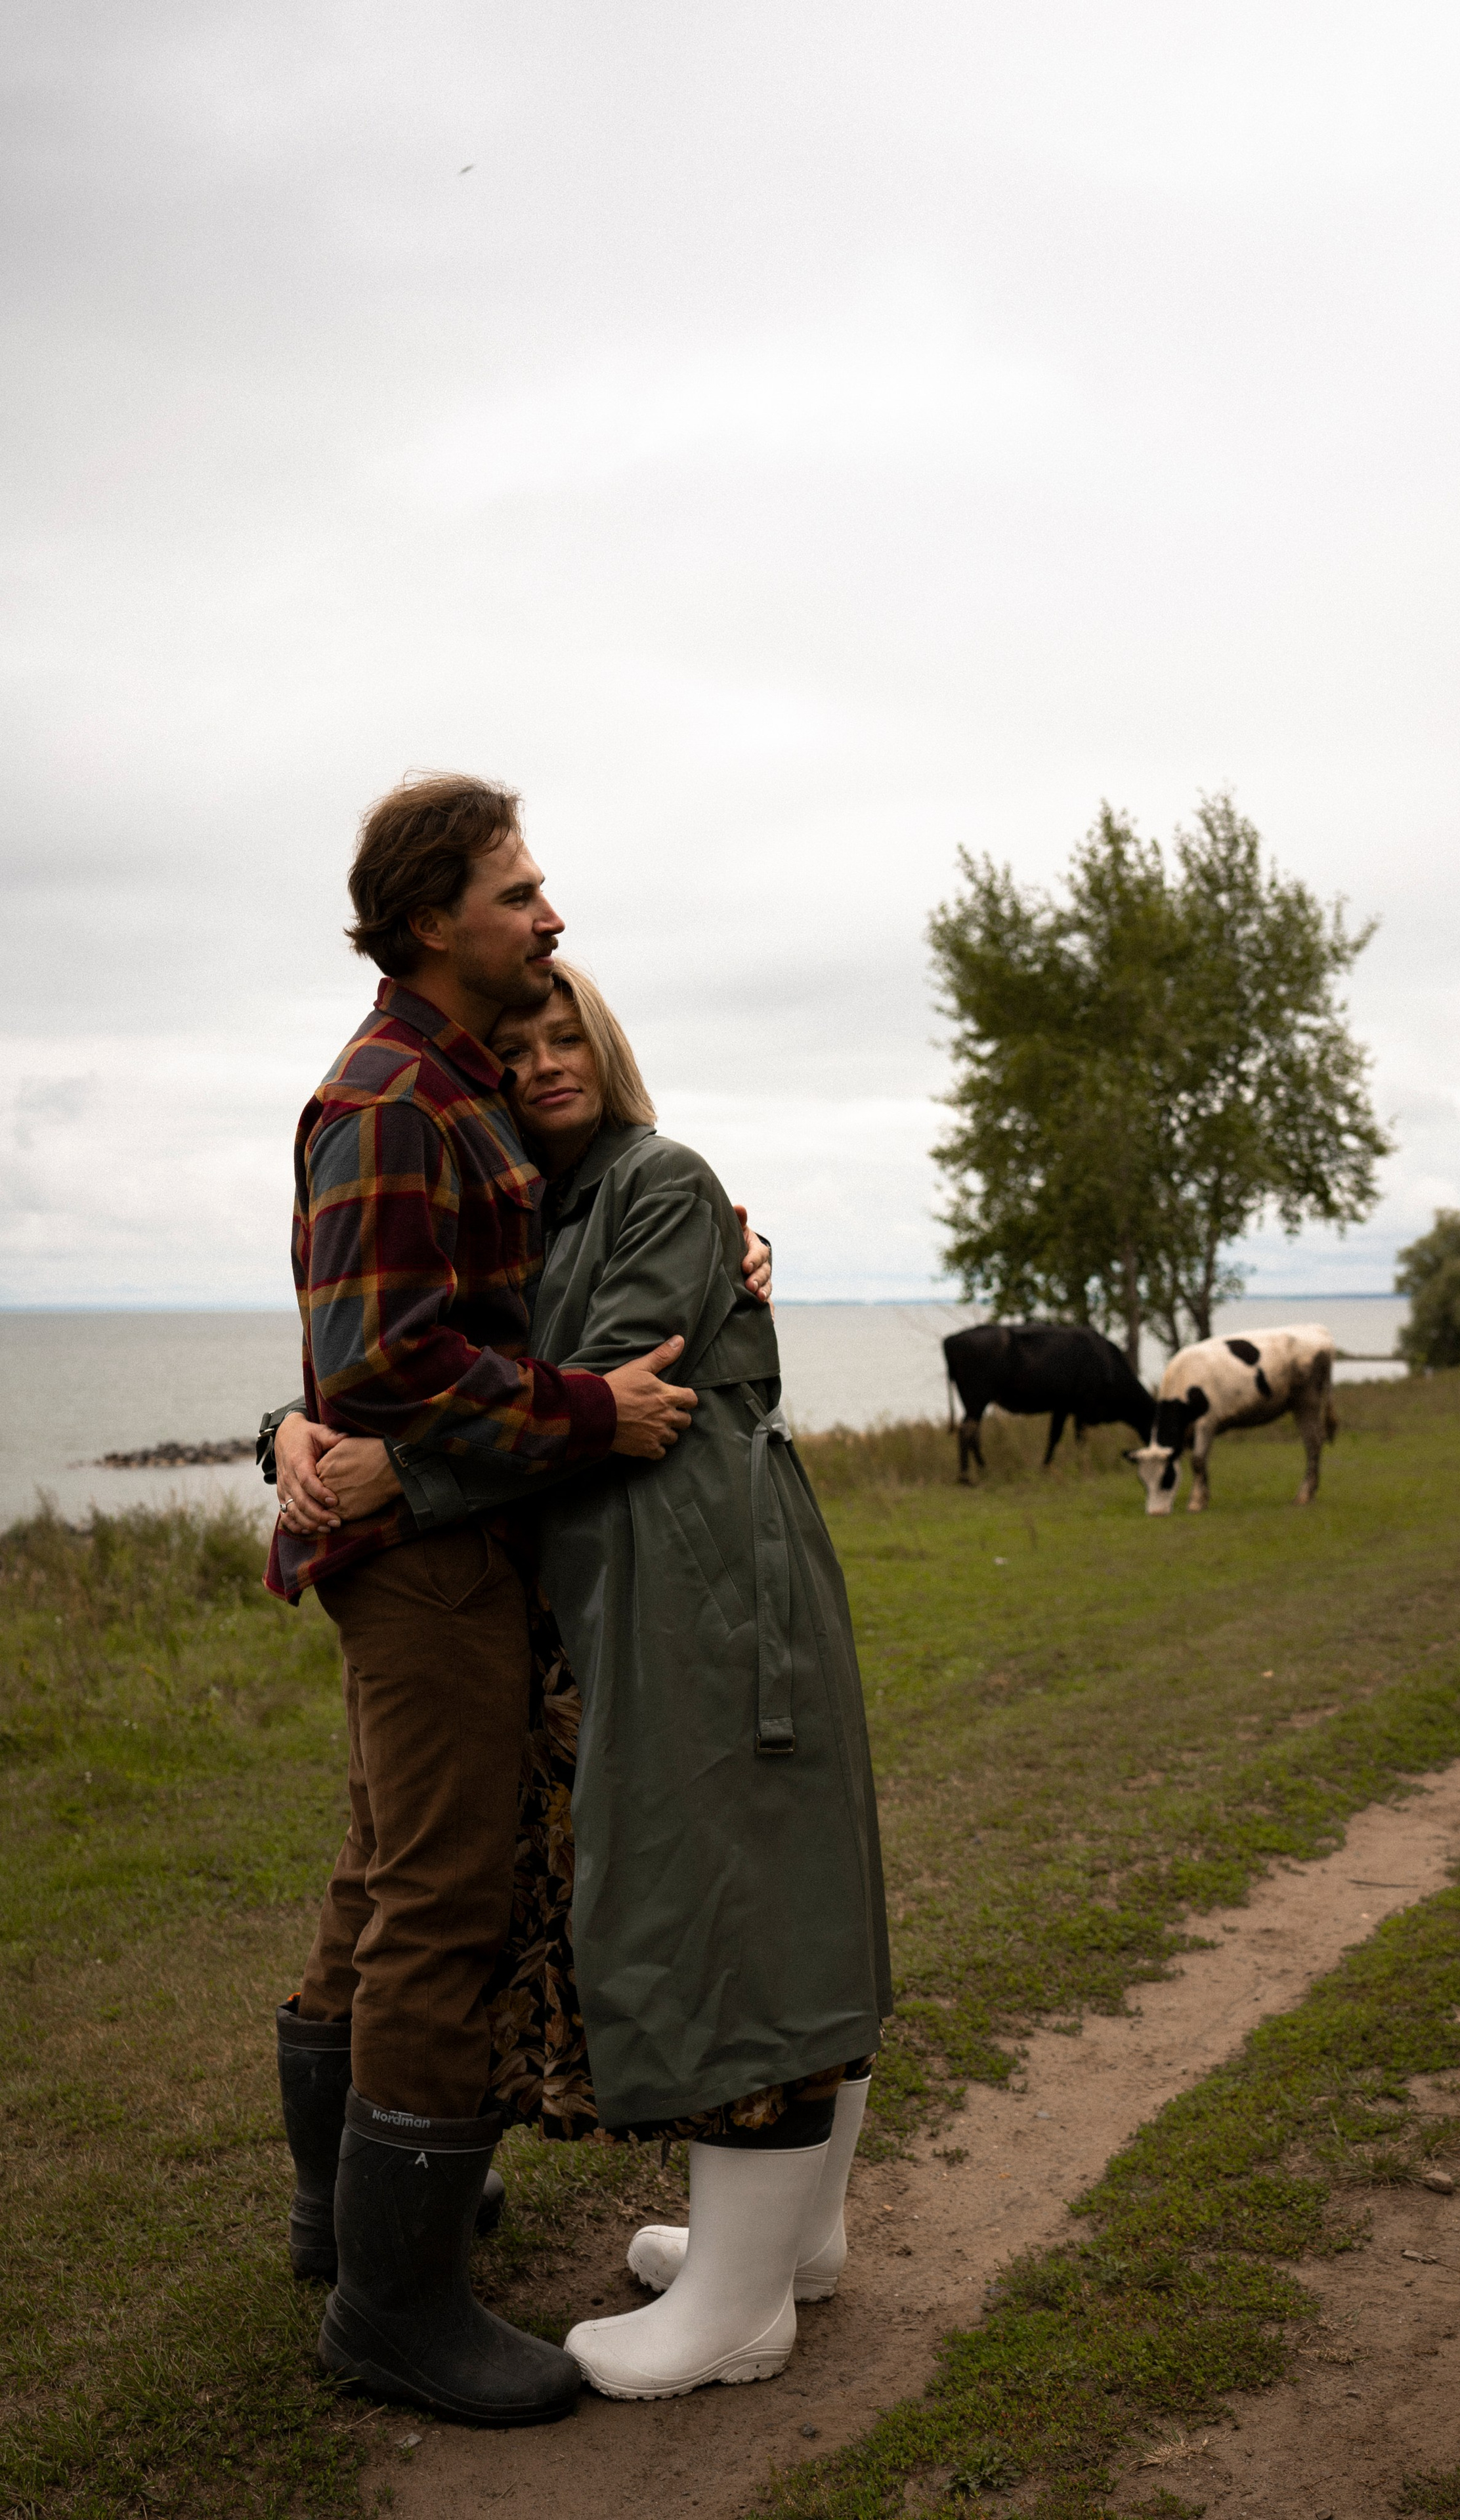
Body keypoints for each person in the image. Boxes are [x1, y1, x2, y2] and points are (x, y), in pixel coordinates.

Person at [305, 959, 893, 2402]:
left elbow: (594, 1388)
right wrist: (298, 1425)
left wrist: (395, 1471)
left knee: (747, 1900)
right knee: (739, 1891)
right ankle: (791, 2246)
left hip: (707, 1585)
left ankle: (742, 2305)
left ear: (607, 1046)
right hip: (644, 1585)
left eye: (568, 1035)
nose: (546, 1061)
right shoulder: (538, 1207)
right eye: (515, 1046)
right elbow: (469, 1371)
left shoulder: (660, 1181)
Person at [263, 770, 771, 2431]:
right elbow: (383, 1366)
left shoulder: (462, 1086)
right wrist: (588, 1412)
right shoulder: (393, 1098)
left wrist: (713, 1242)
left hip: (449, 1544)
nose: (551, 916)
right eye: (518, 892)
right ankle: (394, 2308)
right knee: (444, 1900)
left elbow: (487, 1295)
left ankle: (342, 2219)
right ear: (431, 919)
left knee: (382, 1869)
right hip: (423, 1570)